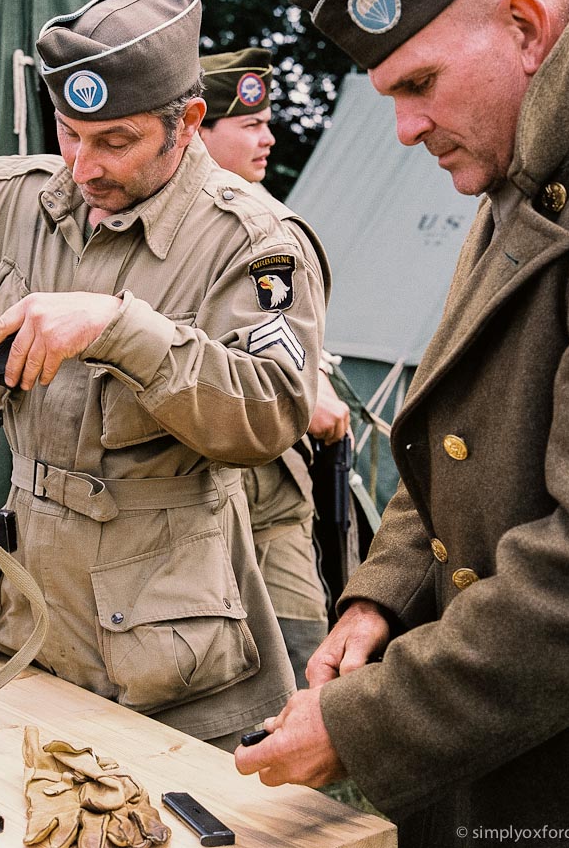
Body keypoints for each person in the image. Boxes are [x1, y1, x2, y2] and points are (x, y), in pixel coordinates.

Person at [0, 0, 331, 753]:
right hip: (31, 626)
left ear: (190, 121)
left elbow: (269, 413)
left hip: (172, 659)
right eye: (68, 133)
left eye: (116, 141)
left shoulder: (253, 242)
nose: (84, 166)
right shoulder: (15, 197)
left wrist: (121, 328)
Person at [235, 0, 569, 843]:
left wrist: (360, 723)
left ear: (525, 30)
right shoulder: (528, 163)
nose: (407, 129)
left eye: (420, 83)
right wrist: (383, 595)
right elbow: (459, 435)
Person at [199, 47, 351, 687]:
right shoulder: (169, 230)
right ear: (198, 128)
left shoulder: (267, 224)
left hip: (276, 484)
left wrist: (309, 381)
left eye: (267, 122)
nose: (269, 137)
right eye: (249, 125)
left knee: (304, 647)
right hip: (200, 488)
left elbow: (278, 332)